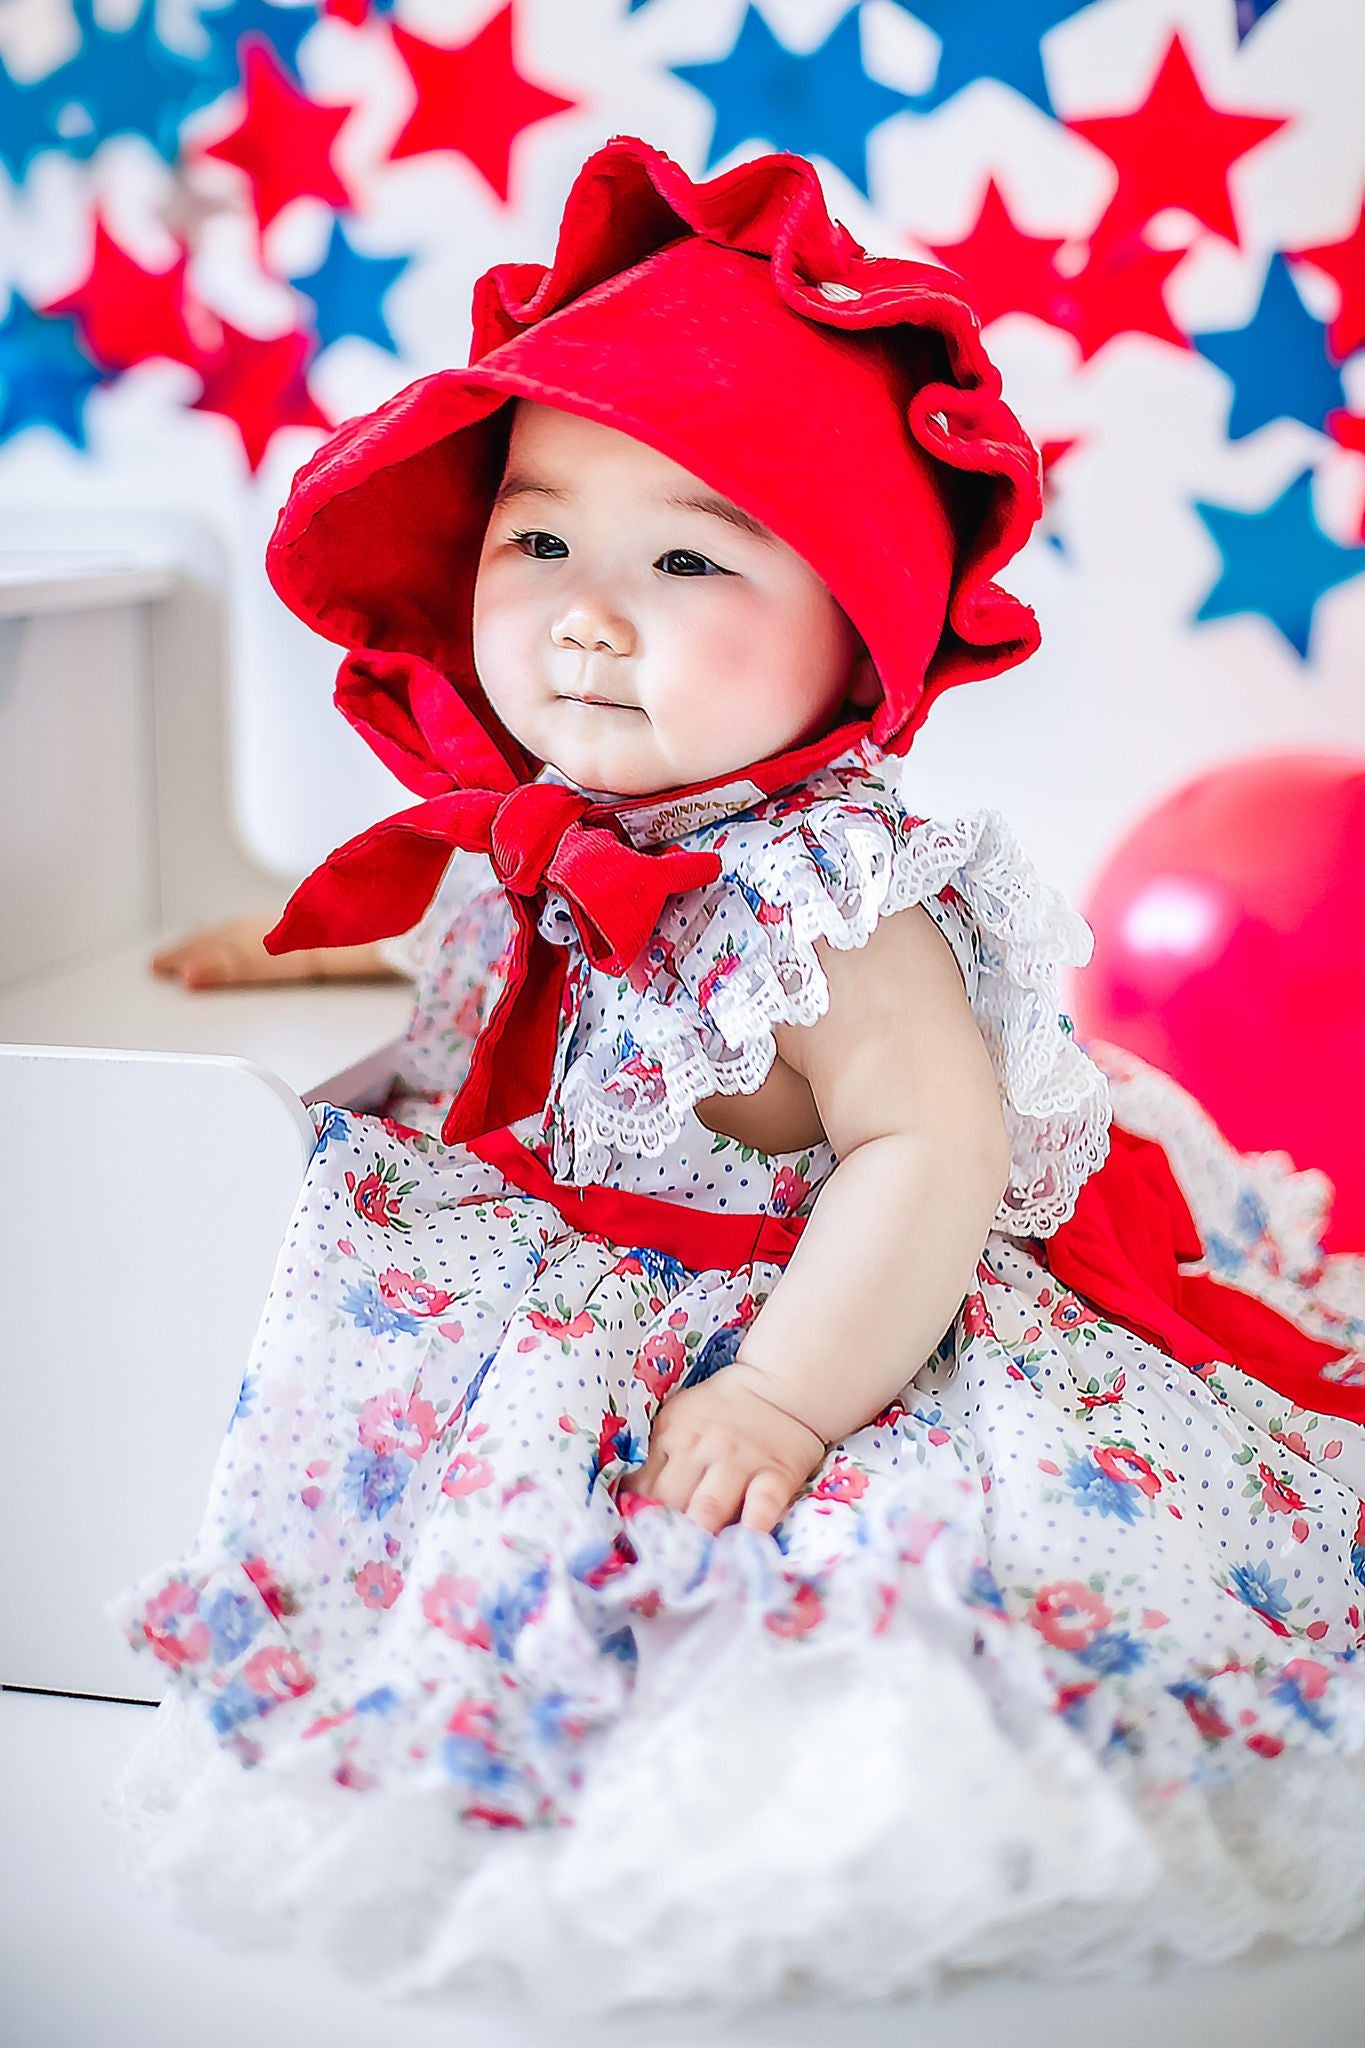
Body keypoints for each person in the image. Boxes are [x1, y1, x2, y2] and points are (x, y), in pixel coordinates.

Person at [105, 135, 1365, 2015]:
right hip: (593, 1286)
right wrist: (312, 939)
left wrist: (783, 1395)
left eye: (685, 554)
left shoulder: (837, 898)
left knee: (834, 1605)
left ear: (853, 631)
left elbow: (923, 1150)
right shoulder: (551, 820)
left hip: (826, 1304)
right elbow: (493, 913)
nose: (583, 612)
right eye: (538, 536)